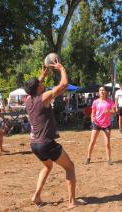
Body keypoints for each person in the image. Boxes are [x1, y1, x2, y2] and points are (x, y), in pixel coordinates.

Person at [24, 60, 86, 209]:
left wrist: (42, 76)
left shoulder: (28, 100)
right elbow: (64, 84)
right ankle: (72, 202)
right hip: (46, 143)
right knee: (70, 167)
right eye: (40, 84)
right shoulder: (43, 98)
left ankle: (36, 196)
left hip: (34, 144)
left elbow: (31, 89)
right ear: (38, 88)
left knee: (47, 166)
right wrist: (61, 68)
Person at [85, 86, 115, 165]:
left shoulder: (110, 102)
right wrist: (92, 119)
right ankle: (88, 158)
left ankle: (109, 159)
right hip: (97, 123)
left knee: (107, 143)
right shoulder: (95, 102)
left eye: (103, 90)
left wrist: (109, 111)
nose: (102, 92)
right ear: (99, 92)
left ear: (105, 92)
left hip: (106, 124)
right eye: (100, 90)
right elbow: (93, 112)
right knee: (92, 141)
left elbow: (114, 112)